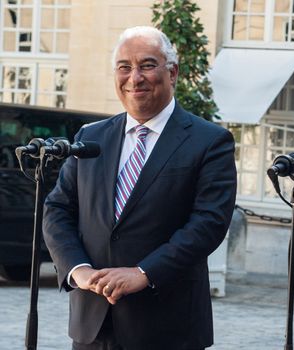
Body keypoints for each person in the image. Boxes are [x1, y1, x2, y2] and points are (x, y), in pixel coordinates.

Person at [43, 26, 237, 350]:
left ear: (172, 72)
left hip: (167, 327)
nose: (135, 78)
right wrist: (79, 271)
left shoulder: (210, 141)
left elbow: (208, 223)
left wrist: (143, 272)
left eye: (147, 65)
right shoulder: (90, 137)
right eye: (124, 67)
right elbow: (57, 209)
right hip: (92, 324)